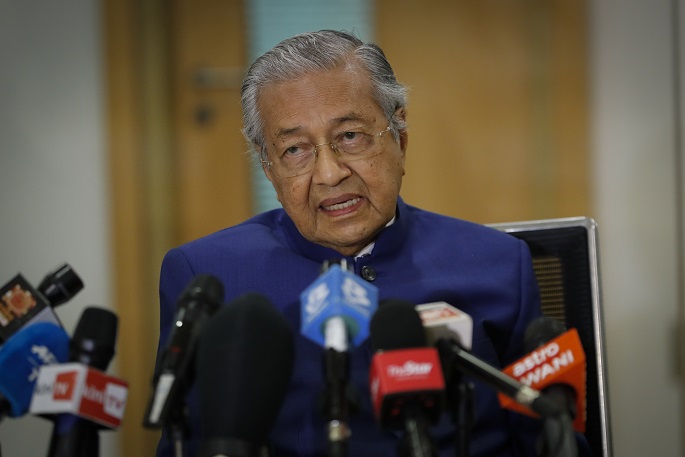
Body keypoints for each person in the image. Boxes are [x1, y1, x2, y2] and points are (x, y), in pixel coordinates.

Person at [155, 30, 581, 457]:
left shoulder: (499, 263)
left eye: (350, 136)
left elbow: (552, 441)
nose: (329, 173)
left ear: (400, 137)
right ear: (268, 166)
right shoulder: (209, 278)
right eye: (295, 149)